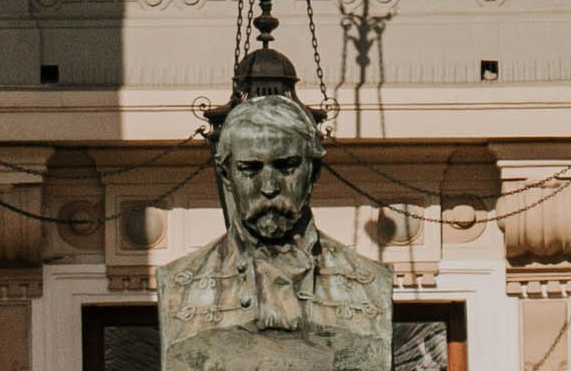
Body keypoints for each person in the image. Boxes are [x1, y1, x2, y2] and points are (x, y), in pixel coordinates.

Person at [152, 46, 402, 370]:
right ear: (227, 176)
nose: (268, 187)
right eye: (250, 169)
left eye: (285, 167)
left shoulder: (370, 282)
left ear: (313, 173)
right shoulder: (179, 284)